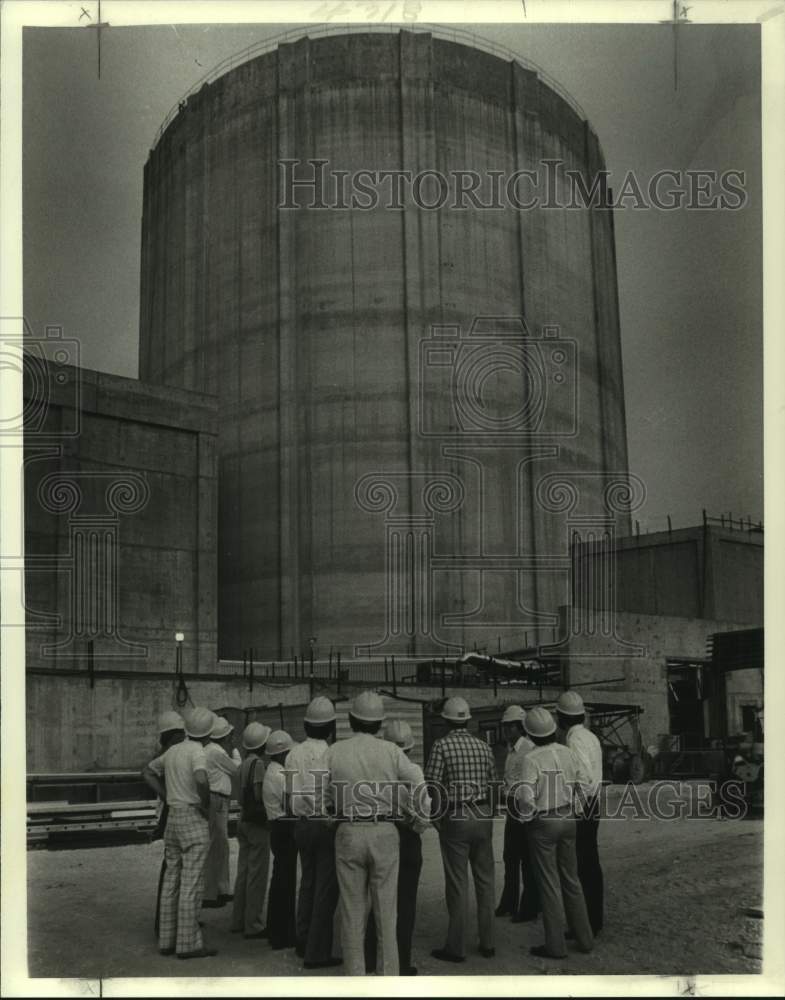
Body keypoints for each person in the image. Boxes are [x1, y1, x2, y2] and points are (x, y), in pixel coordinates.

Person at [327, 692, 430, 977]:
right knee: (387, 913)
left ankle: (356, 978)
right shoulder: (392, 752)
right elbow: (419, 784)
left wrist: (329, 817)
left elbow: (313, 791)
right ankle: (388, 979)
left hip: (348, 830)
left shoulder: (335, 751)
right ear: (379, 723)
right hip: (385, 830)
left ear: (350, 720)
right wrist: (420, 823)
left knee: (352, 913)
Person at [514, 705, 593, 960]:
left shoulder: (531, 759)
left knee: (549, 884)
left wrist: (529, 816)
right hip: (568, 818)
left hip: (544, 822)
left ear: (530, 734)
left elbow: (526, 796)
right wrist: (576, 809)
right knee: (572, 879)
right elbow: (584, 782)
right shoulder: (568, 752)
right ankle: (585, 939)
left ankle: (555, 946)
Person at [424, 696, 496, 964]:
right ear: (467, 719)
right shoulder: (483, 746)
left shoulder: (441, 745)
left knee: (457, 883)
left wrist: (437, 815)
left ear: (445, 720)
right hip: (482, 813)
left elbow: (433, 783)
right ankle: (488, 943)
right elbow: (492, 782)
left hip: (457, 815)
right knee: (486, 880)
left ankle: (456, 947)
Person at [142, 706, 216, 960]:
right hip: (192, 817)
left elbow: (148, 772)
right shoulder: (197, 751)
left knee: (172, 880)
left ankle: (167, 940)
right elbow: (202, 780)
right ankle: (188, 944)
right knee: (192, 882)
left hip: (173, 817)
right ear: (207, 734)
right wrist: (205, 804)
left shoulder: (172, 751)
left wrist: (166, 795)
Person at [364, 718, 431, 976]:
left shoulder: (374, 769)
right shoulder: (414, 771)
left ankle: (370, 957)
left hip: (380, 834)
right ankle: (401, 962)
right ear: (411, 748)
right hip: (407, 839)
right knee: (405, 902)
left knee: (376, 898)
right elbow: (424, 811)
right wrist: (413, 827)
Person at [285, 695, 341, 969]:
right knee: (325, 888)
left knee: (307, 882)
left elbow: (288, 795)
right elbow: (335, 792)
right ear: (330, 727)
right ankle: (317, 952)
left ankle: (303, 937)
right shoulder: (332, 753)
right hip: (324, 822)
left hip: (301, 823)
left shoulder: (293, 753)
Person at [557, 690, 604, 936]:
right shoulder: (590, 737)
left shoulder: (574, 741)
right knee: (591, 865)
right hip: (593, 804)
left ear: (560, 718)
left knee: (580, 867)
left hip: (583, 807)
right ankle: (595, 919)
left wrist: (574, 810)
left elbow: (583, 780)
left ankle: (585, 924)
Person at [496, 704, 540, 924]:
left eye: (509, 726)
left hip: (524, 806)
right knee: (510, 857)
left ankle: (529, 906)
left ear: (520, 727)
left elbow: (529, 783)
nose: (506, 730)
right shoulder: (511, 750)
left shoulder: (528, 750)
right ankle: (509, 902)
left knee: (526, 859)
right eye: (505, 726)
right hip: (512, 807)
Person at [230, 721, 272, 938]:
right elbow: (258, 794)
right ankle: (253, 924)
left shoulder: (243, 764)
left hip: (242, 819)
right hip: (256, 824)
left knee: (243, 872)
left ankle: (238, 920)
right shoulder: (259, 765)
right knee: (257, 875)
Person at [150, 710, 186, 936]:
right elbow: (146, 773)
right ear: (174, 735)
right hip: (172, 814)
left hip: (169, 813)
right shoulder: (171, 754)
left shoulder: (166, 753)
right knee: (173, 871)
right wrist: (168, 795)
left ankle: (171, 920)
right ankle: (166, 922)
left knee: (173, 870)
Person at [263, 730, 298, 950]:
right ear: (282, 753)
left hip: (276, 827)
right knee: (286, 882)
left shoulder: (271, 771)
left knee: (280, 881)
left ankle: (276, 930)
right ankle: (283, 934)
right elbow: (290, 805)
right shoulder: (280, 775)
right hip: (284, 826)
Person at [202, 713, 239, 908]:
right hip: (217, 800)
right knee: (217, 845)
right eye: (230, 735)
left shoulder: (210, 749)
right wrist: (237, 754)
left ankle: (221, 889)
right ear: (224, 736)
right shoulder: (217, 752)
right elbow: (236, 770)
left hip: (218, 800)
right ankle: (210, 894)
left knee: (220, 845)